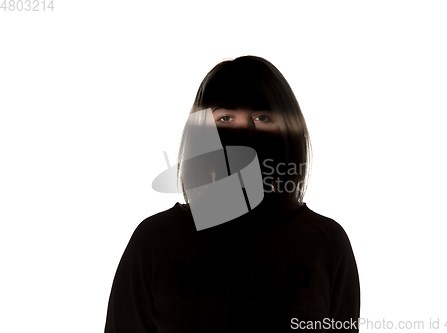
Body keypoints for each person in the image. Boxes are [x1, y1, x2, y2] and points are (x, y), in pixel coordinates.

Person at [104, 56, 360, 332]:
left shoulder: (326, 245)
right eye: (225, 117)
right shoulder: (154, 240)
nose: (244, 132)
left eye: (262, 118)